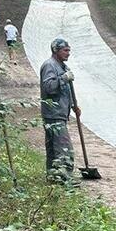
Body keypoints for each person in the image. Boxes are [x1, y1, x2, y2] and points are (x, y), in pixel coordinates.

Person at [40, 37, 79, 182]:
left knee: (52, 148)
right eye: (65, 50)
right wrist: (63, 78)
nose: (68, 53)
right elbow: (49, 87)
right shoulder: (50, 65)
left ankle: (53, 177)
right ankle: (65, 178)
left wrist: (74, 105)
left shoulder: (62, 66)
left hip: (59, 113)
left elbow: (67, 89)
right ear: (56, 50)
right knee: (64, 148)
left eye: (69, 50)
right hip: (53, 113)